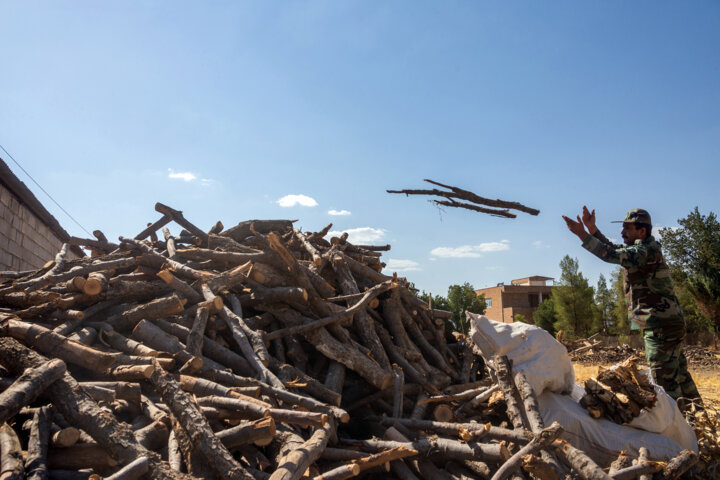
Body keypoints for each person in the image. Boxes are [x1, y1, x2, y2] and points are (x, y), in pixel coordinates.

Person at [563, 207, 702, 412]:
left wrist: (582, 234)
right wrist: (593, 229)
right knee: (680, 375)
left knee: (664, 382)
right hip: (667, 323)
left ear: (641, 231)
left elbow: (609, 254)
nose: (622, 232)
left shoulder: (644, 251)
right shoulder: (642, 250)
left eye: (627, 228)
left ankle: (678, 431)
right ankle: (699, 421)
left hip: (660, 326)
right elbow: (614, 249)